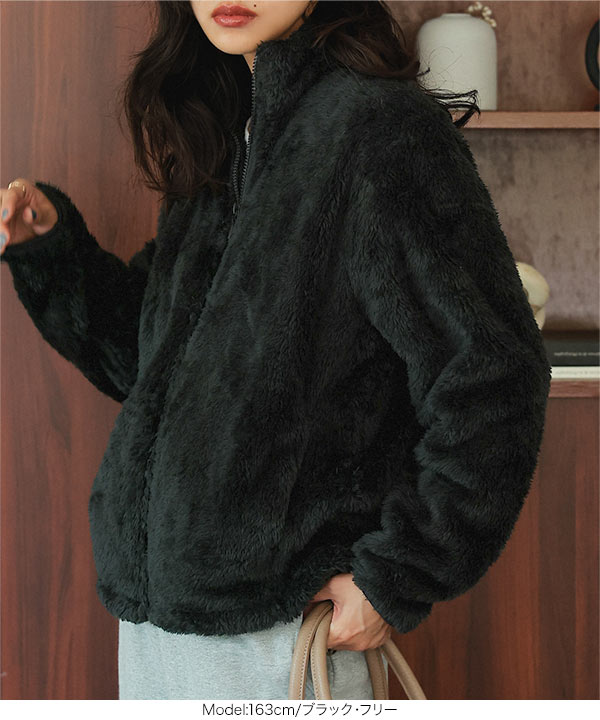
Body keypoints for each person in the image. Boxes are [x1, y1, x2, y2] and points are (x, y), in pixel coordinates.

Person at [0, 0, 551, 701]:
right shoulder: (229, 134)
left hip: (281, 635)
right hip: (155, 635)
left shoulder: (379, 128)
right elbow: (158, 368)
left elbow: (493, 374)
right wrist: (52, 254)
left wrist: (398, 575)